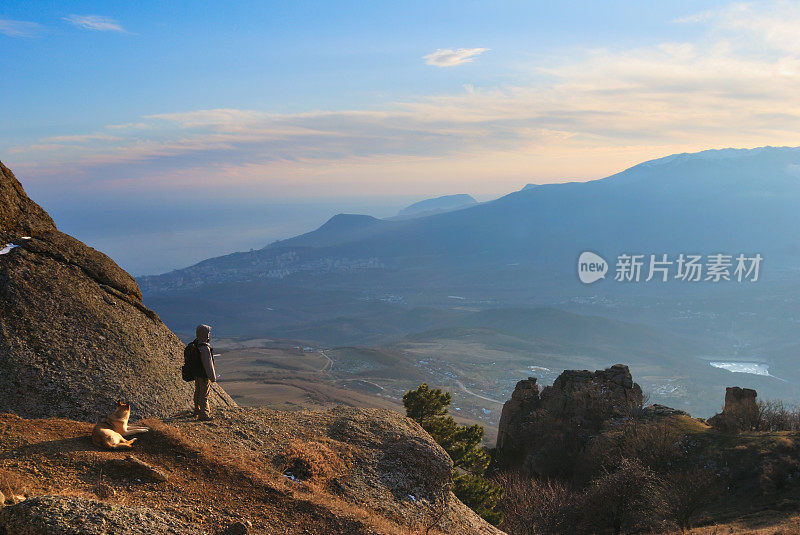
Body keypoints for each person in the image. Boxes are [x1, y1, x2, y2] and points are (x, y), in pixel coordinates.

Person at [192, 324, 217, 420]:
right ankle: (204, 414)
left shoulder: (196, 345)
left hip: (197, 374)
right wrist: (213, 378)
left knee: (198, 392)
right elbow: (208, 364)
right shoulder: (205, 348)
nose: (209, 334)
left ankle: (197, 410)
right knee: (204, 394)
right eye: (208, 332)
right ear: (205, 334)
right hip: (203, 375)